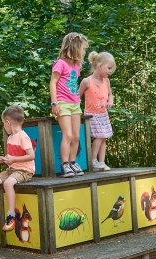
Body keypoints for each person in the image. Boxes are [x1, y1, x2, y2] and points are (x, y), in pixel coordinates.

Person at [50, 32, 89, 177]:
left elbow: (74, 86)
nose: (84, 52)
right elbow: (53, 82)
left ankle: (72, 162)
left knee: (76, 136)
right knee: (67, 134)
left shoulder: (76, 66)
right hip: (62, 102)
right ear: (75, 47)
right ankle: (64, 164)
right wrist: (54, 103)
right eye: (83, 49)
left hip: (75, 104)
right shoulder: (60, 63)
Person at [78, 51, 115, 172]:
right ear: (100, 66)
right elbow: (77, 96)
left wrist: (110, 101)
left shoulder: (106, 81)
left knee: (104, 138)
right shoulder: (87, 81)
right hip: (92, 115)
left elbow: (110, 95)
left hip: (103, 113)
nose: (110, 71)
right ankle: (93, 160)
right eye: (109, 68)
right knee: (99, 137)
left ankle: (101, 161)